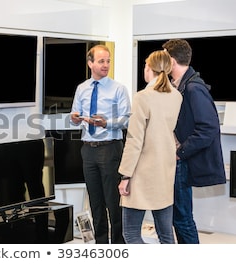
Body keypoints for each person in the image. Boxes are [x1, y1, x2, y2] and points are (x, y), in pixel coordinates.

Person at [162, 39, 227, 244]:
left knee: (182, 220)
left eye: (164, 57)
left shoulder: (193, 88)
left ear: (171, 61)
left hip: (184, 161)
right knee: (179, 219)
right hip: (182, 162)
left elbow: (208, 128)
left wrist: (180, 152)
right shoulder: (180, 86)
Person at [118, 50, 182, 244]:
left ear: (149, 69)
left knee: (130, 234)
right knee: (166, 236)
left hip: (142, 173)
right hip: (164, 172)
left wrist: (125, 175)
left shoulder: (142, 97)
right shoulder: (176, 96)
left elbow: (135, 140)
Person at [70, 44, 131, 244]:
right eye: (101, 61)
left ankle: (118, 246)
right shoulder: (82, 88)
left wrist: (106, 123)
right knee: (95, 202)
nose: (106, 65)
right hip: (88, 150)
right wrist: (76, 118)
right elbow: (73, 116)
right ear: (90, 63)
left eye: (108, 61)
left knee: (113, 202)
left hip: (110, 148)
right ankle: (101, 245)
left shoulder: (118, 89)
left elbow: (126, 119)